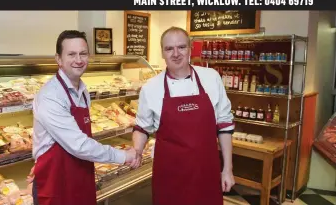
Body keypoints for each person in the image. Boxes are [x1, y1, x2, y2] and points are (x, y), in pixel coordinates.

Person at [28, 30, 138, 205]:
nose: (78, 60)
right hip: (55, 183)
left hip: (81, 175)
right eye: (71, 54)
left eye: (83, 53)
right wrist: (123, 156)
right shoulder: (50, 95)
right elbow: (78, 144)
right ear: (58, 59)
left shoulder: (83, 90)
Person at [130, 27, 235, 205]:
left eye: (181, 47)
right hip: (169, 174)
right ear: (162, 52)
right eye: (169, 48)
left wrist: (227, 169)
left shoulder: (211, 78)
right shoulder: (151, 87)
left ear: (190, 48)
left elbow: (224, 125)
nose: (176, 53)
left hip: (206, 171)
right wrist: (137, 151)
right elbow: (142, 127)